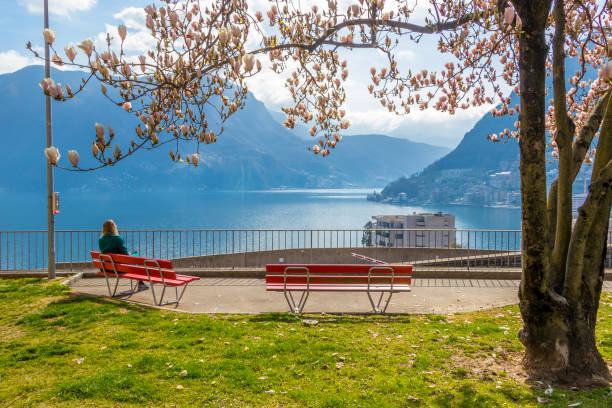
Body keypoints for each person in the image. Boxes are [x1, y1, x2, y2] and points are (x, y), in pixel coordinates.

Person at [99, 220, 148, 291]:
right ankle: (141, 283)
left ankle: (141, 283)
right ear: (114, 227)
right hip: (118, 269)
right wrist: (133, 254)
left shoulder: (101, 239)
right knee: (136, 257)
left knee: (134, 260)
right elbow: (126, 255)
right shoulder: (117, 239)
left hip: (106, 268)